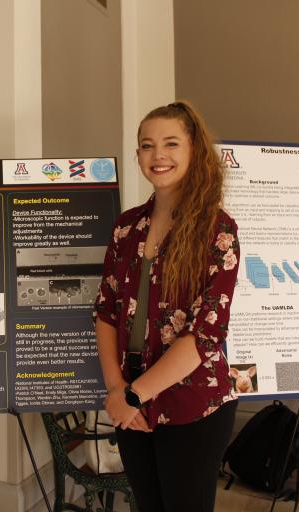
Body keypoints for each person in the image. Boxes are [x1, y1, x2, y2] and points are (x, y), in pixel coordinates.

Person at [93, 100, 240, 511]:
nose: (158, 155)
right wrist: (117, 390)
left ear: (193, 150)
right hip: (130, 399)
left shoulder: (218, 229)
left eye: (171, 143)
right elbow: (105, 310)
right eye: (147, 145)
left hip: (192, 405)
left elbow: (205, 335)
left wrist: (135, 396)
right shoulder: (127, 226)